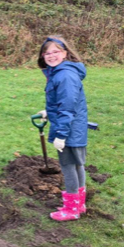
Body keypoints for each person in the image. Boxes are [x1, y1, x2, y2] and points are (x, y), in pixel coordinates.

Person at [36, 35, 88, 221]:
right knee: (77, 164)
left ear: (65, 53)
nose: (51, 56)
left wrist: (61, 135)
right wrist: (49, 112)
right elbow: (64, 102)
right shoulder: (61, 72)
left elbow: (67, 108)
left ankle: (71, 209)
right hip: (75, 127)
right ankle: (79, 204)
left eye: (56, 52)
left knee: (68, 167)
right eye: (47, 53)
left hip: (69, 129)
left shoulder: (65, 75)